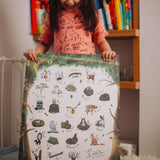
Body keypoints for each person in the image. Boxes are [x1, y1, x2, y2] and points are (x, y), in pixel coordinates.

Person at [24, 0, 116, 62]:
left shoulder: (91, 14)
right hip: (60, 66)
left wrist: (108, 52)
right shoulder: (53, 15)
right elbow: (45, 42)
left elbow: (101, 40)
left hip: (86, 65)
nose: (69, 1)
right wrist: (35, 53)